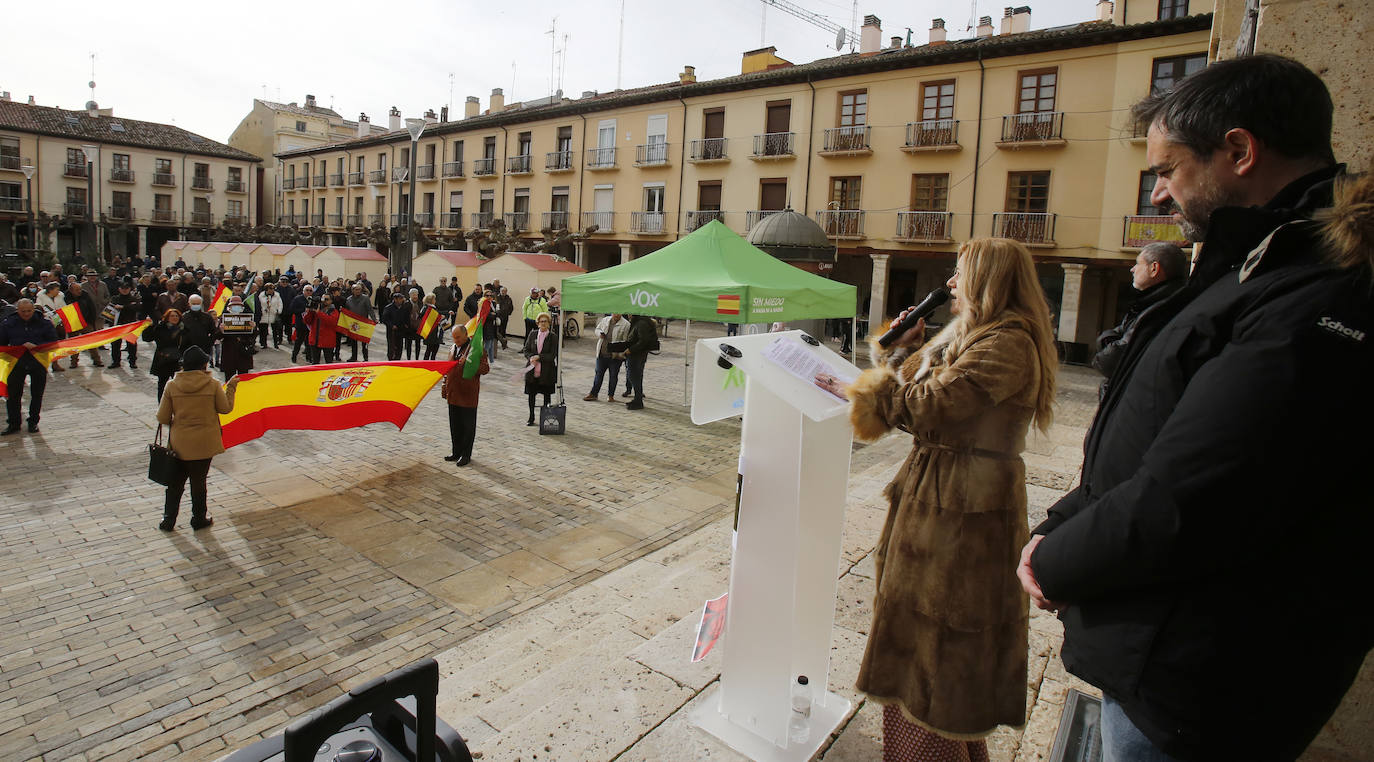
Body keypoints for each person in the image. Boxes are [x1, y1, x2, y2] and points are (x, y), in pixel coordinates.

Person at [1019, 55, 1374, 762]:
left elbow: (1198, 494)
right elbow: (1153, 429)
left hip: (1202, 682)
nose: (1157, 195)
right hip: (1170, 652)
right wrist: (1062, 520)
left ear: (1239, 152)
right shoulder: (1256, 268)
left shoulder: (1322, 293)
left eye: (1168, 169)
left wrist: (1054, 561)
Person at [841, 237, 1058, 762]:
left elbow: (927, 405)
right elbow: (914, 386)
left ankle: (927, 751)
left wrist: (876, 381)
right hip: (938, 492)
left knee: (940, 643)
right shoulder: (971, 335)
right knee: (916, 637)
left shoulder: (1008, 343)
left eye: (960, 274)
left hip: (964, 507)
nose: (952, 285)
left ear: (987, 279)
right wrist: (900, 347)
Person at [155, 346, 237, 531]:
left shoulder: (172, 385)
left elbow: (162, 417)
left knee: (175, 484)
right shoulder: (213, 384)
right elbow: (225, 409)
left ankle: (168, 520)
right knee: (199, 483)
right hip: (204, 442)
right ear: (204, 364)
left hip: (179, 443)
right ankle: (198, 518)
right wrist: (231, 387)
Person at [1091, 241, 1188, 385]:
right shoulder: (1155, 303)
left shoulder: (1158, 310)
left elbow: (1108, 361)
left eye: (1138, 264)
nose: (1132, 269)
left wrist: (1106, 341)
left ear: (1154, 268)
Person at [0, 299, 58, 434]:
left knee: (37, 394)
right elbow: (2, 343)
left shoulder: (44, 323)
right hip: (16, 363)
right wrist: (15, 348)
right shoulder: (8, 323)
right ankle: (13, 423)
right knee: (13, 395)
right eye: (23, 311)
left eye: (29, 311)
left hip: (37, 362)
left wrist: (37, 346)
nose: (26, 314)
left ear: (33, 310)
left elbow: (53, 342)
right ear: (17, 311)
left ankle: (33, 422)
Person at [440, 324, 489, 466]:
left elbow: (485, 368)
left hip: (468, 394)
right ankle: (456, 451)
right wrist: (444, 385)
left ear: (465, 335)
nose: (456, 340)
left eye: (458, 337)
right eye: (454, 338)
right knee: (454, 425)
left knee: (467, 426)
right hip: (453, 392)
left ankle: (466, 454)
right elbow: (448, 369)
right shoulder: (453, 347)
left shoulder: (475, 349)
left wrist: (469, 363)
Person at [521, 311, 558, 426]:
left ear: (549, 323)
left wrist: (539, 357)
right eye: (541, 321)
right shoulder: (533, 334)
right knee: (531, 396)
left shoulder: (553, 337)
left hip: (546, 373)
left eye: (545, 321)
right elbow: (526, 349)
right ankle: (531, 417)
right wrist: (530, 357)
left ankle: (545, 419)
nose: (543, 323)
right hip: (532, 372)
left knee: (547, 397)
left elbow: (552, 355)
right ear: (537, 323)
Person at [585, 313, 630, 401]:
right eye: (614, 312)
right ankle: (593, 394)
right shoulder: (606, 320)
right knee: (598, 374)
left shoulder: (626, 324)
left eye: (618, 313)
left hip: (615, 356)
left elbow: (625, 341)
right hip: (602, 353)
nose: (616, 314)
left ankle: (611, 395)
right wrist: (600, 334)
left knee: (613, 376)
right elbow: (597, 329)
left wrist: (621, 354)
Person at [143, 308, 184, 401]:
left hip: (177, 360)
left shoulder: (183, 329)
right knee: (162, 385)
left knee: (179, 385)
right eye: (172, 316)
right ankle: (161, 405)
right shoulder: (160, 328)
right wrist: (149, 326)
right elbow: (147, 338)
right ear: (167, 317)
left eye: (176, 316)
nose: (174, 318)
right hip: (163, 360)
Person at [621, 313, 658, 410]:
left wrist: (631, 350)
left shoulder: (641, 323)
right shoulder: (638, 322)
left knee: (633, 376)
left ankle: (638, 400)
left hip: (637, 355)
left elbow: (643, 340)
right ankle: (637, 398)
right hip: (637, 354)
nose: (628, 315)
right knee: (636, 376)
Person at [66, 282, 103, 368]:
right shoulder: (66, 296)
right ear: (71, 290)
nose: (79, 291)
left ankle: (97, 360)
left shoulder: (85, 295)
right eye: (77, 290)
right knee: (74, 343)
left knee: (91, 342)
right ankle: (74, 362)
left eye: (80, 289)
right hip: (73, 323)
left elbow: (92, 308)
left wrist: (92, 322)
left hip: (86, 322)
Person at [218, 295, 255, 382]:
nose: (236, 308)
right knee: (229, 380)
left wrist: (254, 328)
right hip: (229, 353)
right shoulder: (224, 319)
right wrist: (221, 330)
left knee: (244, 379)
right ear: (229, 307)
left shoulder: (247, 318)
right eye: (233, 306)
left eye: (238, 306)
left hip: (243, 353)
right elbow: (217, 337)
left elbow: (253, 336)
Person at [107, 279, 142, 369]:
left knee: (132, 345)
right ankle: (116, 362)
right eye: (122, 288)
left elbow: (137, 307)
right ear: (119, 289)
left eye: (126, 288)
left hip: (130, 325)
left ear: (130, 289)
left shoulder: (134, 298)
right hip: (117, 325)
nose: (124, 290)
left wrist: (123, 307)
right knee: (115, 345)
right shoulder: (115, 298)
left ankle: (132, 362)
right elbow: (110, 309)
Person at [303, 293, 340, 364]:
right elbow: (306, 321)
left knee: (329, 363)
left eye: (327, 299)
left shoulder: (334, 311)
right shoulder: (317, 309)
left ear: (331, 301)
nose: (324, 301)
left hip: (328, 341)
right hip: (315, 340)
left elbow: (331, 322)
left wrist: (319, 313)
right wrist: (309, 311)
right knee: (315, 363)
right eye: (323, 299)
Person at [344, 283, 375, 362]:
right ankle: (354, 357)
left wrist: (374, 319)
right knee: (353, 342)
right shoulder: (348, 300)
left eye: (359, 289)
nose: (358, 291)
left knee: (364, 342)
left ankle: (365, 357)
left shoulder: (365, 298)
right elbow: (347, 311)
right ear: (352, 290)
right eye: (356, 289)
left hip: (363, 323)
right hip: (353, 324)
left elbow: (370, 309)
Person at [381, 292, 411, 361]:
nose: (401, 300)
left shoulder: (404, 308)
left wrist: (406, 325)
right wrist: (391, 326)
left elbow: (407, 317)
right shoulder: (388, 308)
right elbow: (385, 319)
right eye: (400, 299)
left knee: (400, 346)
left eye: (402, 299)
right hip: (392, 331)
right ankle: (391, 360)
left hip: (401, 330)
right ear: (395, 299)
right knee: (391, 346)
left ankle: (398, 359)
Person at [255, 282, 284, 349]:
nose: (271, 290)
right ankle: (263, 343)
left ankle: (276, 343)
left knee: (275, 330)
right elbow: (259, 304)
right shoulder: (261, 295)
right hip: (264, 314)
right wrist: (262, 310)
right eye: (269, 289)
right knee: (263, 330)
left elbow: (280, 304)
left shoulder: (277, 295)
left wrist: (278, 311)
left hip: (273, 314)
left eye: (273, 289)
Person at [289, 285, 312, 363]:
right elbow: (292, 309)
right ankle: (294, 356)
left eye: (310, 290)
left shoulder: (312, 299)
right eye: (307, 290)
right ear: (303, 291)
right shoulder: (297, 299)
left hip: (310, 324)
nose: (308, 292)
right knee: (298, 341)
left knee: (309, 342)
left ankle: (309, 357)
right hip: (300, 324)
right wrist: (303, 310)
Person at [420, 294, 443, 361]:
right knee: (429, 349)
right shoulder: (426, 308)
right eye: (434, 299)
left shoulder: (432, 307)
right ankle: (426, 363)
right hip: (430, 332)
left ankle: (432, 362)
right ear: (431, 300)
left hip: (434, 332)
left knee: (435, 348)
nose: (435, 301)